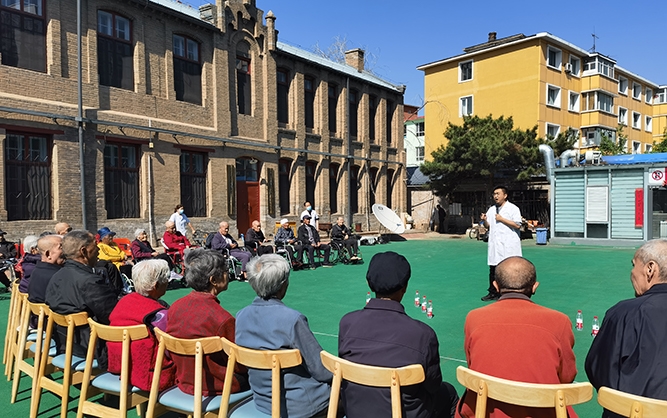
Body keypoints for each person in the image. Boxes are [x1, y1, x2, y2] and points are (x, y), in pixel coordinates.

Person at [339, 251, 459, 418]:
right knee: (449, 392)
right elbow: (433, 384)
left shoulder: (347, 322)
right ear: (405, 288)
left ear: (368, 283)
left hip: (356, 409)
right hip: (402, 413)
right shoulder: (423, 334)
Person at [457, 257, 577, 418]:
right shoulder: (559, 321)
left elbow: (473, 365)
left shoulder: (474, 318)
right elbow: (567, 377)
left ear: (496, 286)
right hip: (542, 411)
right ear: (535, 287)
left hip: (486, 410)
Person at [236, 254, 332, 417]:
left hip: (262, 400)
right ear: (282, 286)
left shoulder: (241, 316)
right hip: (299, 404)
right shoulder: (292, 319)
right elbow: (321, 369)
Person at [585, 239, 667, 418]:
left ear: (650, 269)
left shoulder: (623, 313)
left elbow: (599, 371)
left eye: (634, 265)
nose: (631, 272)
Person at [166, 249, 248, 396]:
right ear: (213, 280)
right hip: (216, 384)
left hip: (184, 379)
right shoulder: (221, 319)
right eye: (224, 271)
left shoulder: (175, 307)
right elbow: (239, 364)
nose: (227, 274)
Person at [45, 230, 119, 361]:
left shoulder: (56, 276)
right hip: (92, 348)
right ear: (83, 251)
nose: (98, 250)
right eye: (95, 246)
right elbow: (113, 316)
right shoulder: (90, 281)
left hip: (64, 343)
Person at [108, 259, 174, 392]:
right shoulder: (159, 315)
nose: (168, 282)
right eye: (166, 279)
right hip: (151, 375)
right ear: (156, 285)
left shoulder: (123, 302)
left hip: (120, 365)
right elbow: (172, 349)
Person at [480, 186, 522, 301]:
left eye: (498, 194)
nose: (495, 196)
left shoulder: (513, 208)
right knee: (493, 269)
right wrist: (484, 220)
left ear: (505, 195)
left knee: (509, 270)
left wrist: (502, 219)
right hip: (495, 245)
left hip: (508, 245)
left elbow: (518, 225)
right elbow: (488, 226)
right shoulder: (492, 209)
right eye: (494, 194)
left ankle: (511, 293)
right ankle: (493, 292)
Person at [28, 234, 65, 304]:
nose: (66, 251)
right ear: (48, 254)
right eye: (61, 247)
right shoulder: (57, 276)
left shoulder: (37, 271)